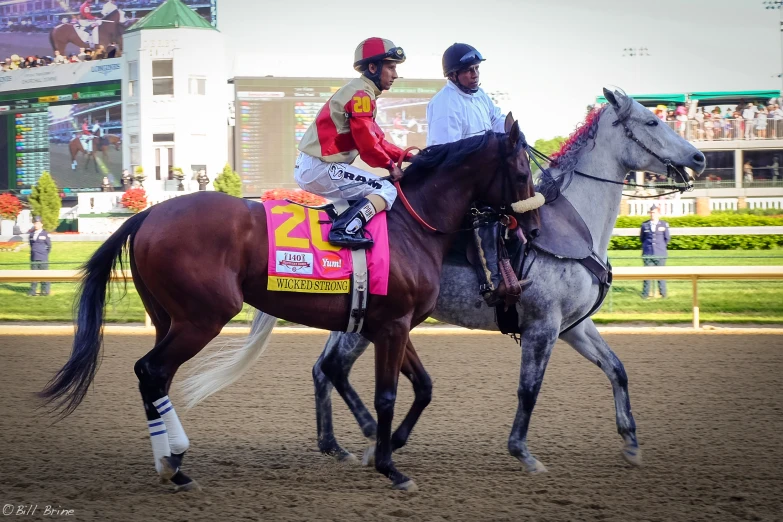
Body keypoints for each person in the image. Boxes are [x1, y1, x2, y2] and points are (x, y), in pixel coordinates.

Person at [295, 37, 410, 248]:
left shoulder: (361, 92)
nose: (395, 74)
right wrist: (390, 167)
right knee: (386, 189)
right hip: (321, 168)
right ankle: (342, 230)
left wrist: (409, 157)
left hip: (317, 166)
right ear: (373, 67)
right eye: (391, 67)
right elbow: (368, 146)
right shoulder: (361, 95)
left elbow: (379, 141)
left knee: (367, 194)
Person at [426, 42, 518, 306]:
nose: (475, 74)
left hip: (478, 177)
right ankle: (491, 284)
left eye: (477, 68)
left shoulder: (480, 95)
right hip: (453, 181)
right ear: (453, 75)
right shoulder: (444, 104)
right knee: (485, 215)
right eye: (468, 70)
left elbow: (497, 120)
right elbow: (449, 154)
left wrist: (514, 135)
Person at [640, 205, 669, 299]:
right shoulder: (645, 225)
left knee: (661, 275)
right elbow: (642, 238)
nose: (652, 215)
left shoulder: (663, 224)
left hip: (660, 253)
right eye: (651, 213)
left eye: (654, 213)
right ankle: (645, 294)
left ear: (658, 214)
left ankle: (663, 293)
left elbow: (667, 238)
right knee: (647, 275)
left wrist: (660, 247)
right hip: (648, 253)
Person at [28, 216, 52, 297]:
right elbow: (31, 245)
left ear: (41, 224)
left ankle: (44, 291)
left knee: (44, 276)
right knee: (33, 276)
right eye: (35, 223)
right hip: (34, 258)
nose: (36, 225)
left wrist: (44, 254)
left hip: (43, 258)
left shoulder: (45, 234)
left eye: (37, 223)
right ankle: (32, 291)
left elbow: (49, 246)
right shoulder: (31, 234)